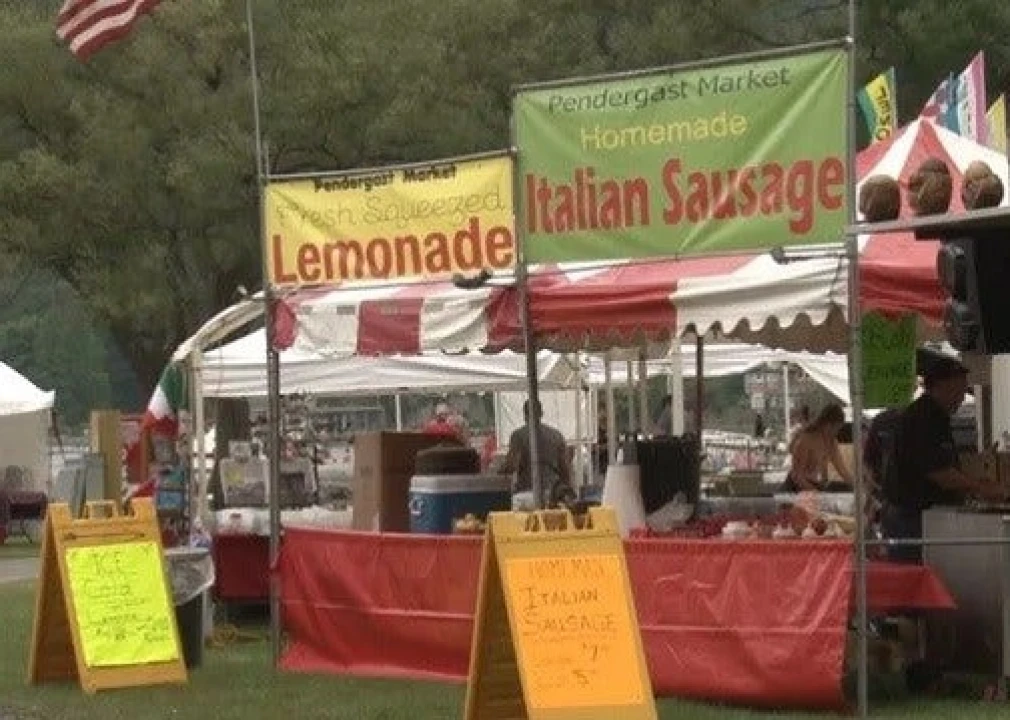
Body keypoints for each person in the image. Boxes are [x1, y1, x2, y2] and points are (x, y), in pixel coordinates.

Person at [881, 357, 1008, 564]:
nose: (962, 397)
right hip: (913, 517)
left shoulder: (937, 416)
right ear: (942, 386)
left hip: (921, 515)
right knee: (919, 575)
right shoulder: (923, 418)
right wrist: (980, 488)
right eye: (960, 389)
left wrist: (974, 486)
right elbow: (939, 472)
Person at [500, 400, 571, 501]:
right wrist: (567, 489)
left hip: (527, 490)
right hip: (553, 491)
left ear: (525, 415)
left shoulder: (518, 436)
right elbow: (565, 468)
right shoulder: (556, 435)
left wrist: (502, 469)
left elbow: (512, 464)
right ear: (541, 413)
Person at [782, 403, 853, 492]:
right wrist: (814, 491)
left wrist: (856, 486)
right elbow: (797, 475)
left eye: (838, 429)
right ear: (825, 424)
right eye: (834, 428)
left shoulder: (831, 442)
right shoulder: (806, 440)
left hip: (813, 483)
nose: (835, 432)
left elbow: (842, 470)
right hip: (795, 487)